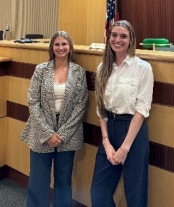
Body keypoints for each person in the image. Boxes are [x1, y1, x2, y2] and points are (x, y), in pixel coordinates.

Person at [20, 31, 88, 207]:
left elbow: (81, 105)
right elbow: (33, 102)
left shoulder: (79, 72)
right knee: (38, 181)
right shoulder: (41, 70)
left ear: (70, 47)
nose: (61, 48)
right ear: (51, 48)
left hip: (68, 134)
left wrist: (62, 134)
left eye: (64, 44)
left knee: (63, 181)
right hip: (41, 133)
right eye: (57, 44)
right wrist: (48, 133)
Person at [90, 20, 154, 207]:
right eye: (114, 35)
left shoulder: (143, 68)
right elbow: (100, 107)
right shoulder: (103, 68)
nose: (118, 39)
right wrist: (106, 142)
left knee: (135, 196)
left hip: (133, 132)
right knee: (98, 194)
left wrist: (125, 148)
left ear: (131, 40)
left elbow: (142, 110)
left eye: (123, 36)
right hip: (109, 130)